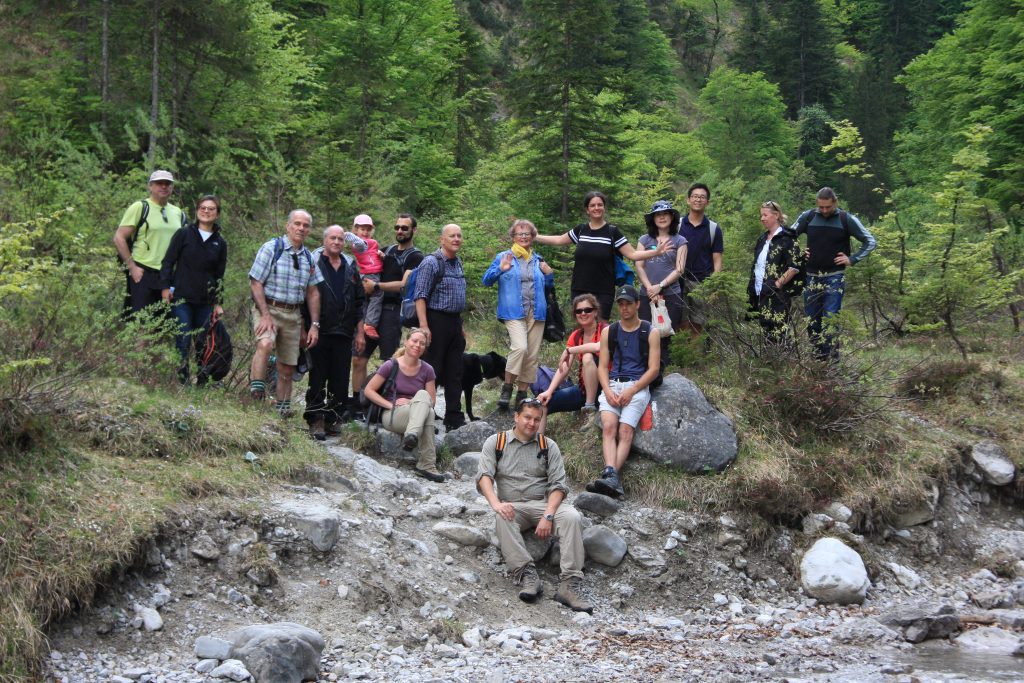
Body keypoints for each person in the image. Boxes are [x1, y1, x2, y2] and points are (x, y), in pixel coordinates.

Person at [476, 398, 593, 613]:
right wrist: (496, 504)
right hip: (513, 505)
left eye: (536, 419)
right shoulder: (496, 442)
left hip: (543, 504)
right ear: (516, 416)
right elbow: (484, 476)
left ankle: (570, 584)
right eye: (527, 417)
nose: (531, 423)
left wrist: (548, 515)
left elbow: (558, 485)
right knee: (502, 517)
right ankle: (527, 575)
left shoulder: (548, 446)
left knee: (572, 517)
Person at [534, 191, 667, 321]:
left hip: (603, 291)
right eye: (592, 205)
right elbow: (558, 240)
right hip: (579, 289)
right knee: (581, 328)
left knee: (601, 330)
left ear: (604, 208)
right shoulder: (581, 230)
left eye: (600, 205)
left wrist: (655, 252)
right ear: (587, 210)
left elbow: (632, 254)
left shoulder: (612, 232)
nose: (596, 208)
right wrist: (533, 236)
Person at [248, 210, 323, 416]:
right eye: (297, 224)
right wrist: (264, 314)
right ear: (288, 225)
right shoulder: (272, 248)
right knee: (265, 343)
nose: (301, 228)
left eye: (305, 225)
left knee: (287, 367)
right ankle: (256, 392)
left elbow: (313, 292)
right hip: (268, 308)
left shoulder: (309, 257)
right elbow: (255, 282)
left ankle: (282, 410)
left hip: (293, 314)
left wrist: (313, 325)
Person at [589, 285, 661, 499]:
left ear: (638, 304)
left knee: (625, 431)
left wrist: (633, 390)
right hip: (613, 384)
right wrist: (607, 389)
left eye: (629, 303)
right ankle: (612, 477)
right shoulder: (609, 331)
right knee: (609, 427)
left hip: (637, 385)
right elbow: (602, 366)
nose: (624, 307)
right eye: (621, 304)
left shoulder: (651, 331)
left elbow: (654, 369)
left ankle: (610, 477)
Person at [350, 214, 424, 417]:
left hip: (392, 311)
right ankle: (357, 402)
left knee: (388, 363)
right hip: (371, 310)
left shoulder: (416, 256)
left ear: (413, 231)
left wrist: (376, 286)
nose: (400, 231)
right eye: (397, 227)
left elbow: (405, 284)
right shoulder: (387, 250)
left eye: (405, 228)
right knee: (358, 357)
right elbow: (366, 261)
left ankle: (382, 406)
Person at [791, 187, 877, 360]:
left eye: (828, 207)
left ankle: (832, 362)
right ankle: (818, 360)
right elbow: (786, 237)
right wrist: (797, 252)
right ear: (817, 203)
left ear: (835, 203)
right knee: (812, 321)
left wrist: (852, 259)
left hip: (834, 277)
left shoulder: (847, 219)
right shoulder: (807, 217)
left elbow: (870, 241)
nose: (824, 210)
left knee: (830, 319)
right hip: (811, 277)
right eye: (821, 207)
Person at [482, 219, 555, 410]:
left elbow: (548, 287)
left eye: (527, 234)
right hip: (513, 311)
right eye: (519, 234)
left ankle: (521, 394)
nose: (523, 237)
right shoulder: (504, 257)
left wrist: (549, 275)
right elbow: (486, 281)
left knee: (531, 355)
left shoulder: (538, 259)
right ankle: (507, 387)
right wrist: (500, 269)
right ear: (513, 237)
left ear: (532, 237)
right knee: (520, 348)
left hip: (537, 311)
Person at [304, 224, 368, 440]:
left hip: (345, 331)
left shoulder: (350, 266)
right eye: (333, 238)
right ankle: (316, 419)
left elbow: (360, 301)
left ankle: (333, 417)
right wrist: (307, 326)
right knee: (318, 375)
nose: (337, 242)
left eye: (340, 239)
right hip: (319, 329)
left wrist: (360, 333)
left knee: (340, 378)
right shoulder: (313, 263)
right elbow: (306, 295)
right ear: (324, 240)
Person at [158, 194, 228, 384]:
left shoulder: (220, 243)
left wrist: (218, 303)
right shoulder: (184, 234)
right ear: (197, 211)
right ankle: (183, 381)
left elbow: (219, 275)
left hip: (205, 302)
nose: (206, 211)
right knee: (183, 340)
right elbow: (168, 262)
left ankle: (202, 381)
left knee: (203, 343)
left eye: (211, 209)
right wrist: (165, 288)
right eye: (203, 208)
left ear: (217, 213)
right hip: (181, 298)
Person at [362, 328, 445, 482]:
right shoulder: (390, 365)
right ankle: (426, 464)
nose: (417, 345)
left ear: (425, 348)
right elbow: (368, 390)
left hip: (415, 414)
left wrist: (414, 402)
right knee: (428, 413)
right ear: (406, 342)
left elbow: (431, 402)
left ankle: (412, 438)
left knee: (425, 400)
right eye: (414, 341)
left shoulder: (428, 370)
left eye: (422, 343)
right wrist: (390, 404)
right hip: (392, 414)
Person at [415, 224, 467, 430]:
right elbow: (420, 295)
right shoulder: (431, 262)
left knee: (455, 370)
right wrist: (424, 326)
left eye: (459, 236)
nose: (456, 239)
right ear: (442, 239)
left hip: (454, 322)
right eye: (451, 236)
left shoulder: (457, 262)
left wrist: (460, 326)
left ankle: (454, 416)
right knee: (432, 369)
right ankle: (424, 414)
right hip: (435, 320)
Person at [114, 170, 188, 314]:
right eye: (159, 183)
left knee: (165, 322)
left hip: (168, 275)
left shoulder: (178, 212)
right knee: (142, 321)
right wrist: (132, 267)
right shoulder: (141, 207)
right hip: (143, 271)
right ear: (150, 186)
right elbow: (119, 237)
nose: (164, 186)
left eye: (168, 183)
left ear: (172, 187)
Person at [536, 293, 607, 431]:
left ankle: (590, 411)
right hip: (583, 390)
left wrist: (570, 350)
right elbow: (564, 367)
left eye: (588, 310)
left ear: (596, 311)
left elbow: (599, 346)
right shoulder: (576, 336)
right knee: (542, 404)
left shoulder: (606, 329)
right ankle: (537, 446)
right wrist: (549, 392)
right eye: (579, 311)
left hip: (606, 388)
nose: (583, 313)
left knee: (587, 356)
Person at [635, 199, 689, 345]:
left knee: (667, 332)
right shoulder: (644, 240)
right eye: (658, 214)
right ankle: (647, 364)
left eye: (666, 213)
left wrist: (660, 286)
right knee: (646, 332)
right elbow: (639, 265)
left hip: (671, 293)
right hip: (647, 293)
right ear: (653, 218)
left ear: (672, 217)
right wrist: (650, 288)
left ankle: (664, 366)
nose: (662, 217)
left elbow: (679, 269)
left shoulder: (680, 241)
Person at [747, 201, 800, 343]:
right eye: (761, 215)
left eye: (765, 215)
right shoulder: (762, 238)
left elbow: (794, 267)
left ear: (776, 215)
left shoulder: (787, 238)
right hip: (760, 292)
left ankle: (782, 362)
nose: (762, 218)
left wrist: (776, 284)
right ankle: (770, 362)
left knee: (778, 332)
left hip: (778, 294)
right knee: (766, 331)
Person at [678, 183, 724, 337]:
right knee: (680, 321)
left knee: (698, 323)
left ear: (707, 202)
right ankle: (682, 356)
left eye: (702, 197)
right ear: (688, 200)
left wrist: (715, 285)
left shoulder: (713, 228)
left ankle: (696, 358)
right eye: (695, 196)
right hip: (678, 280)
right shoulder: (677, 225)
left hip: (703, 282)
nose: (698, 199)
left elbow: (717, 259)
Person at [350, 214, 385, 341]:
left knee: (365, 300)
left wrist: (380, 254)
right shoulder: (359, 244)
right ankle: (370, 324)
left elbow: (372, 254)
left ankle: (364, 323)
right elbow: (360, 247)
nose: (365, 232)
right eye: (362, 229)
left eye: (368, 229)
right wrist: (353, 238)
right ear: (356, 230)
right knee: (378, 294)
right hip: (369, 274)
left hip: (370, 273)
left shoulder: (372, 243)